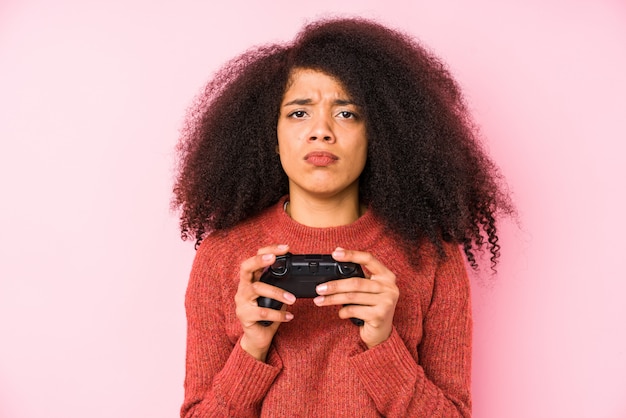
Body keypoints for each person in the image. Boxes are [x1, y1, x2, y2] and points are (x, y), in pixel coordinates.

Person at [172, 17, 512, 417]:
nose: (321, 131)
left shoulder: (432, 256)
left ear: (379, 132)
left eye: (347, 113)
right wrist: (253, 349)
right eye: (299, 113)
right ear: (271, 134)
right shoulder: (223, 256)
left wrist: (384, 346)